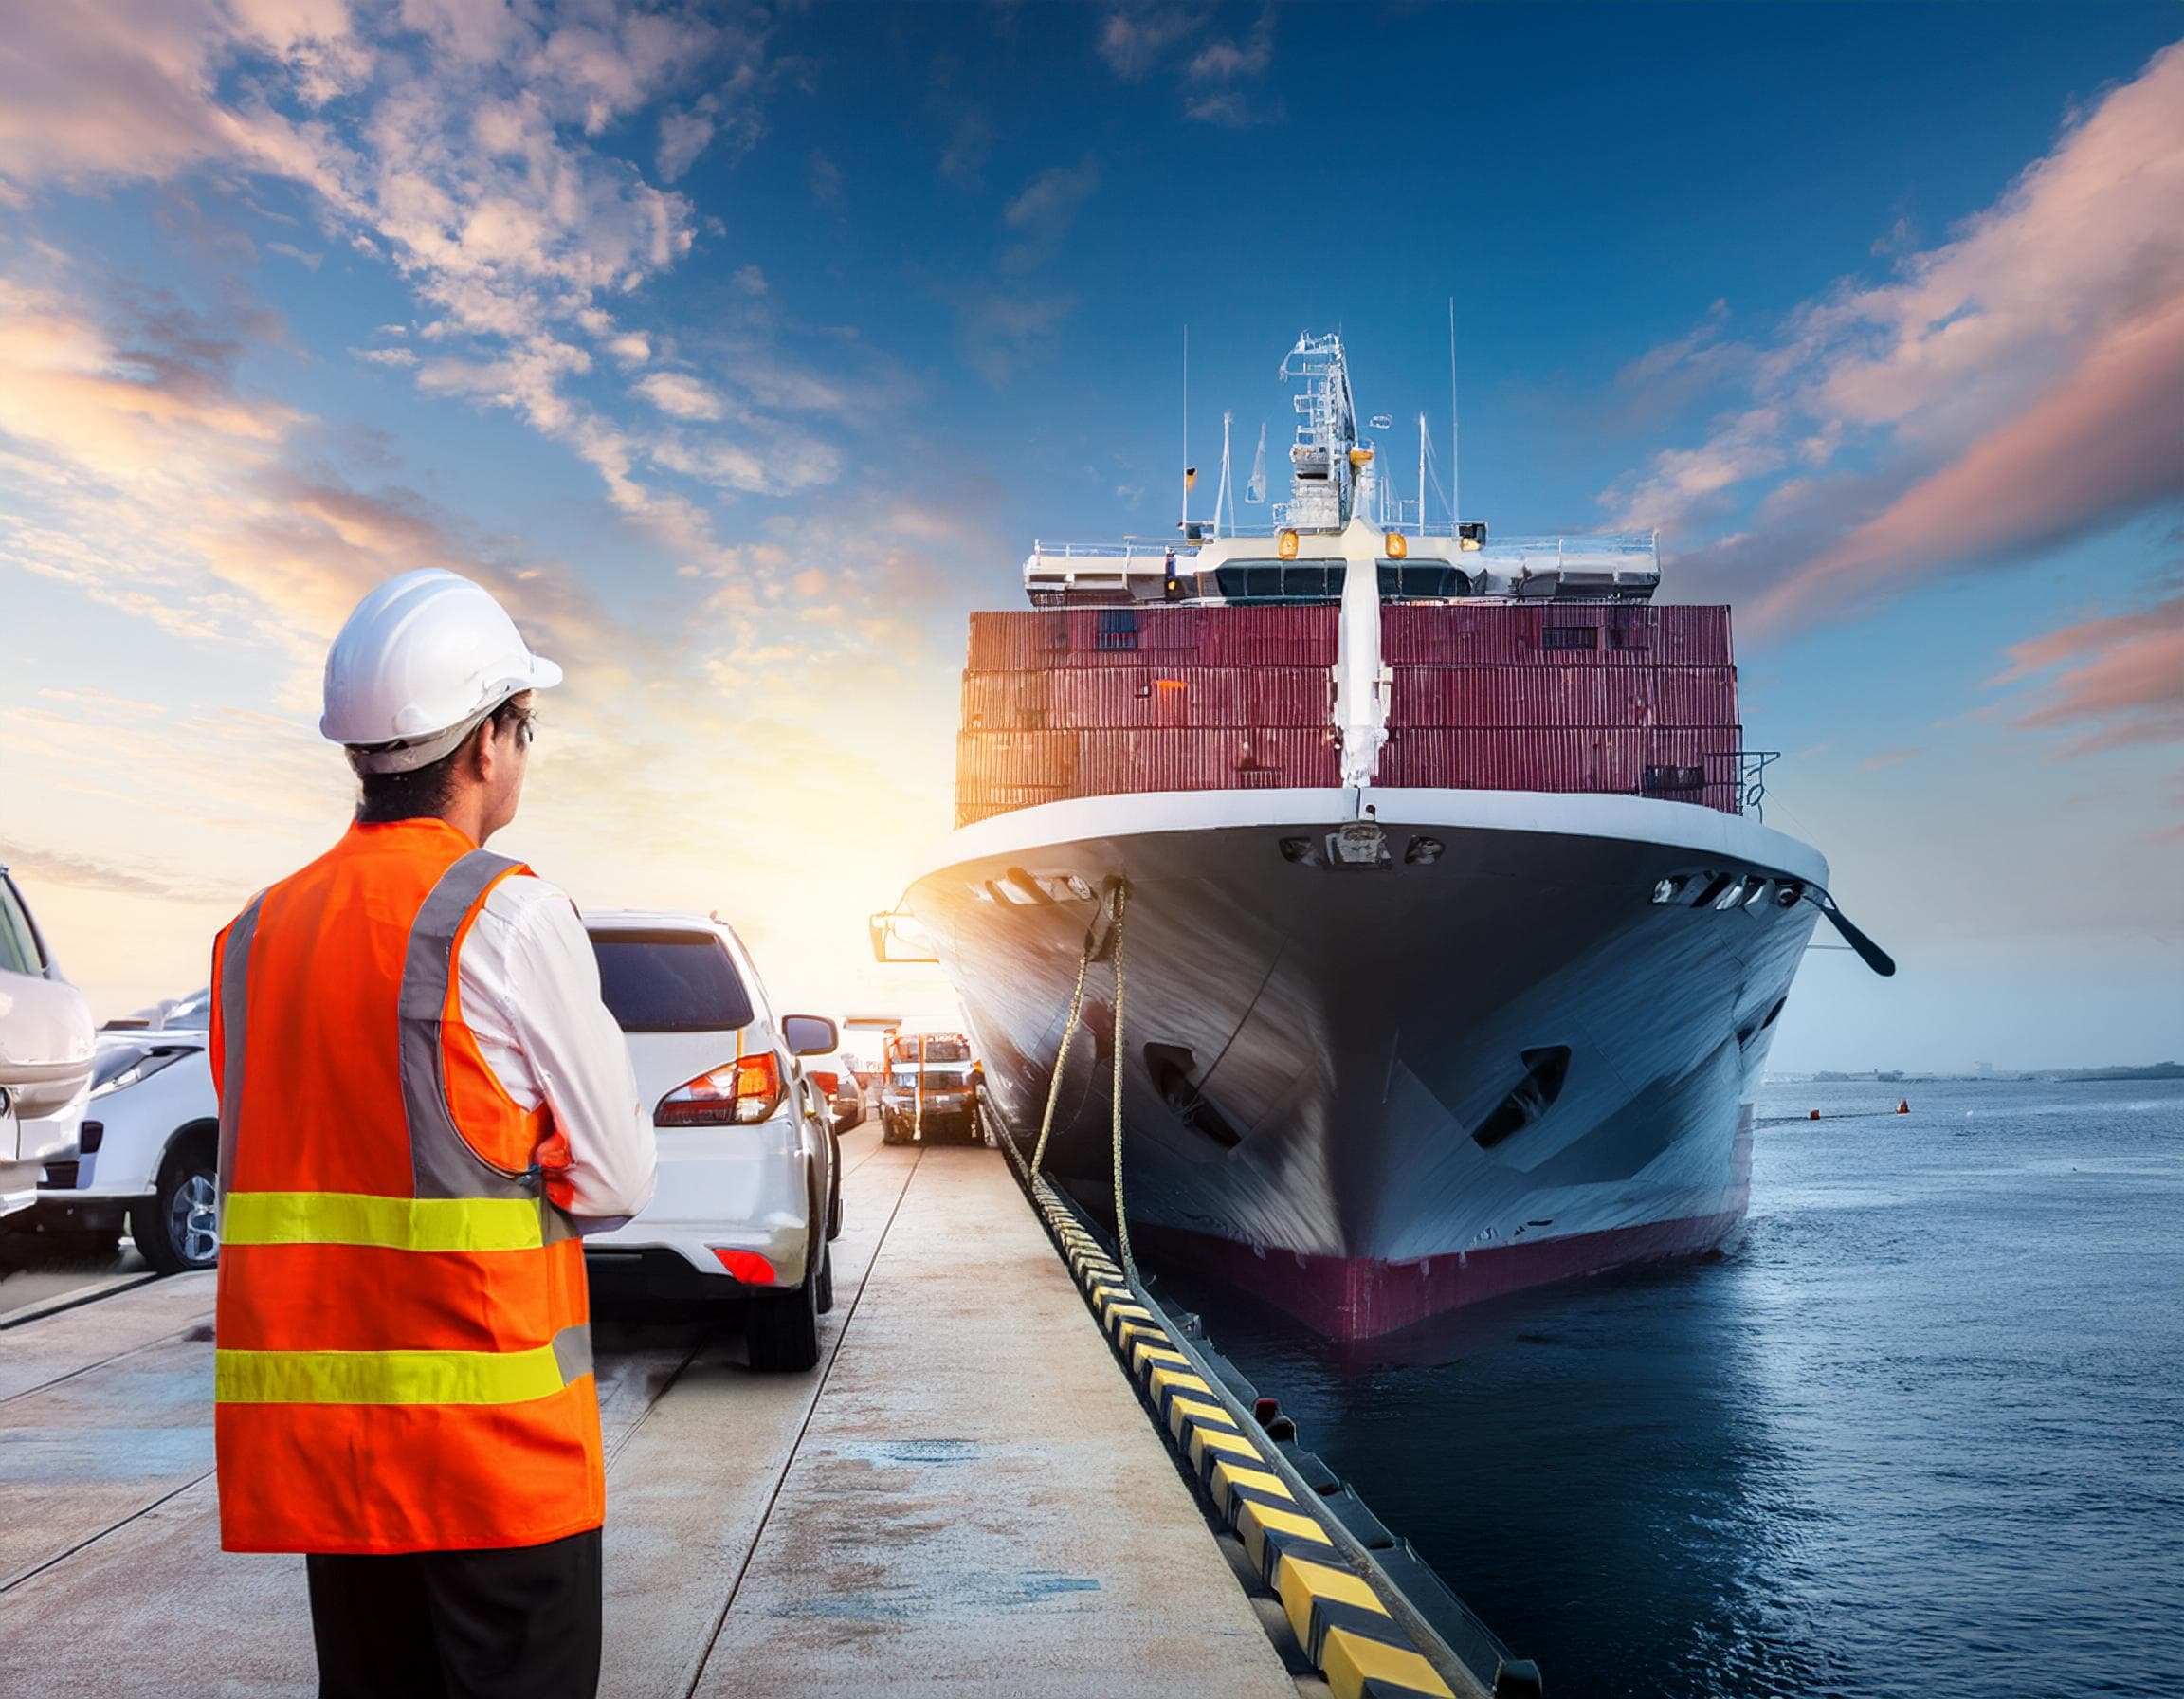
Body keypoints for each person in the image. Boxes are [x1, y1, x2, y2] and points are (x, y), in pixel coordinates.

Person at [209, 568, 656, 1699]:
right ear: (483, 748)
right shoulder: (506, 914)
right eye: (525, 725)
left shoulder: (251, 936)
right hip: (491, 1469)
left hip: (331, 1466)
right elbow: (614, 1177)